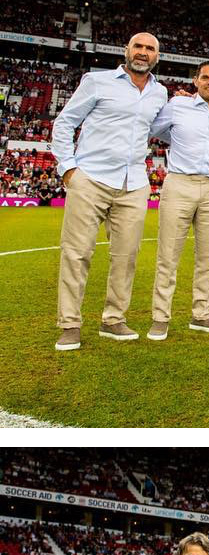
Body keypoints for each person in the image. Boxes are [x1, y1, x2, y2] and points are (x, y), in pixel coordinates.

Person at [52, 32, 168, 351]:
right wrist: (69, 168)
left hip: (133, 184)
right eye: (138, 47)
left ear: (157, 56)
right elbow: (64, 123)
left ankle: (113, 319)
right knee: (76, 253)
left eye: (150, 49)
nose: (143, 53)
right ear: (126, 51)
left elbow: (160, 129)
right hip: (90, 179)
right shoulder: (96, 81)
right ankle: (70, 324)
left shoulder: (161, 93)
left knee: (127, 256)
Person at [146, 61, 209, 341]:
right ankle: (160, 318)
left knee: (208, 257)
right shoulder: (178, 106)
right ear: (196, 80)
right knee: (168, 255)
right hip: (180, 184)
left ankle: (202, 315)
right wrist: (177, 140)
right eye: (205, 77)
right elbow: (156, 129)